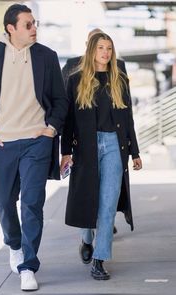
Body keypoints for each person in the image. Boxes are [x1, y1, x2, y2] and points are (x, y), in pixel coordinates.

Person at [0, 4, 68, 291]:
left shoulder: (47, 57)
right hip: (2, 144)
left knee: (33, 202)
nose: (34, 28)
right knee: (3, 201)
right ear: (10, 28)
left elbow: (61, 100)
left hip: (37, 141)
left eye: (34, 23)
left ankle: (28, 265)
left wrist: (50, 129)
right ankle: (14, 244)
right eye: (27, 24)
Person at [60, 32, 142, 280]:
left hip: (115, 147)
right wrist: (65, 152)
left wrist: (135, 152)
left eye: (109, 48)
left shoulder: (120, 80)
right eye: (100, 48)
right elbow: (68, 121)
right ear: (91, 51)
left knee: (107, 205)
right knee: (88, 199)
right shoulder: (76, 80)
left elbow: (128, 119)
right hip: (86, 147)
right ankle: (86, 238)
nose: (105, 53)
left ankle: (99, 258)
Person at [62, 28, 127, 87]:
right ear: (87, 44)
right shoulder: (72, 65)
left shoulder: (119, 66)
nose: (105, 51)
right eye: (100, 47)